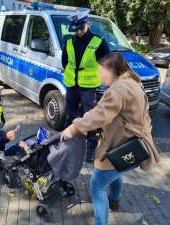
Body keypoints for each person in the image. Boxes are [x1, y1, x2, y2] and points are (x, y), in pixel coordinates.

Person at [60, 53, 160, 225]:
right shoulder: (132, 83)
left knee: (97, 184)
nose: (99, 76)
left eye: (101, 72)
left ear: (111, 70)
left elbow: (100, 114)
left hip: (123, 144)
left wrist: (74, 127)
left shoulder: (118, 90)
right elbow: (111, 113)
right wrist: (87, 125)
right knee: (114, 170)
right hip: (132, 143)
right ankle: (114, 201)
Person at [62, 11, 110, 163]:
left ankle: (90, 149)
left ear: (88, 23)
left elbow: (107, 65)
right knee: (69, 116)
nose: (78, 32)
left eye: (81, 28)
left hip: (88, 87)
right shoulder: (69, 41)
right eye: (75, 29)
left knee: (89, 118)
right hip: (72, 85)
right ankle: (66, 144)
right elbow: (65, 62)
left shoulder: (99, 42)